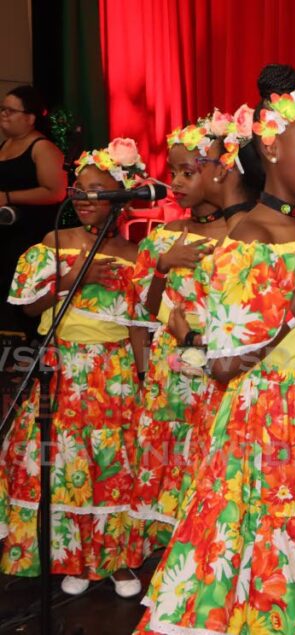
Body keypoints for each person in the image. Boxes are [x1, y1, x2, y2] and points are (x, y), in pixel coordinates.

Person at [135, 62, 295, 634]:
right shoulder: (246, 238)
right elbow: (227, 365)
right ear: (274, 150)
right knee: (266, 567)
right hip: (268, 431)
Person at [0, 137, 149, 597]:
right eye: (80, 190)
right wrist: (69, 278)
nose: (85, 200)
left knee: (111, 465)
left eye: (98, 192)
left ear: (120, 199)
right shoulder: (54, 242)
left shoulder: (131, 255)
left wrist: (145, 381)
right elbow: (27, 309)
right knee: (62, 465)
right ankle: (73, 557)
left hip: (114, 374)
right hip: (60, 367)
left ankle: (116, 560)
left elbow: (138, 328)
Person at [128, 104, 257, 562]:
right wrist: (162, 268)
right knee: (172, 458)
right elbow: (143, 308)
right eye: (173, 173)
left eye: (187, 171)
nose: (177, 183)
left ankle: (215, 551)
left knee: (213, 459)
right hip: (173, 375)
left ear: (221, 172)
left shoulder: (246, 232)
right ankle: (173, 558)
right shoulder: (164, 237)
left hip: (221, 369)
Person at [0, 85, 67, 337]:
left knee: (21, 294)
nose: (4, 115)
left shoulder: (42, 147)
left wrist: (7, 197)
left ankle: (27, 354)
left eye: (10, 110)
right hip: (5, 233)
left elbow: (55, 192)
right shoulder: (6, 144)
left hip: (29, 237)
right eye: (2, 109)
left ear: (30, 118)